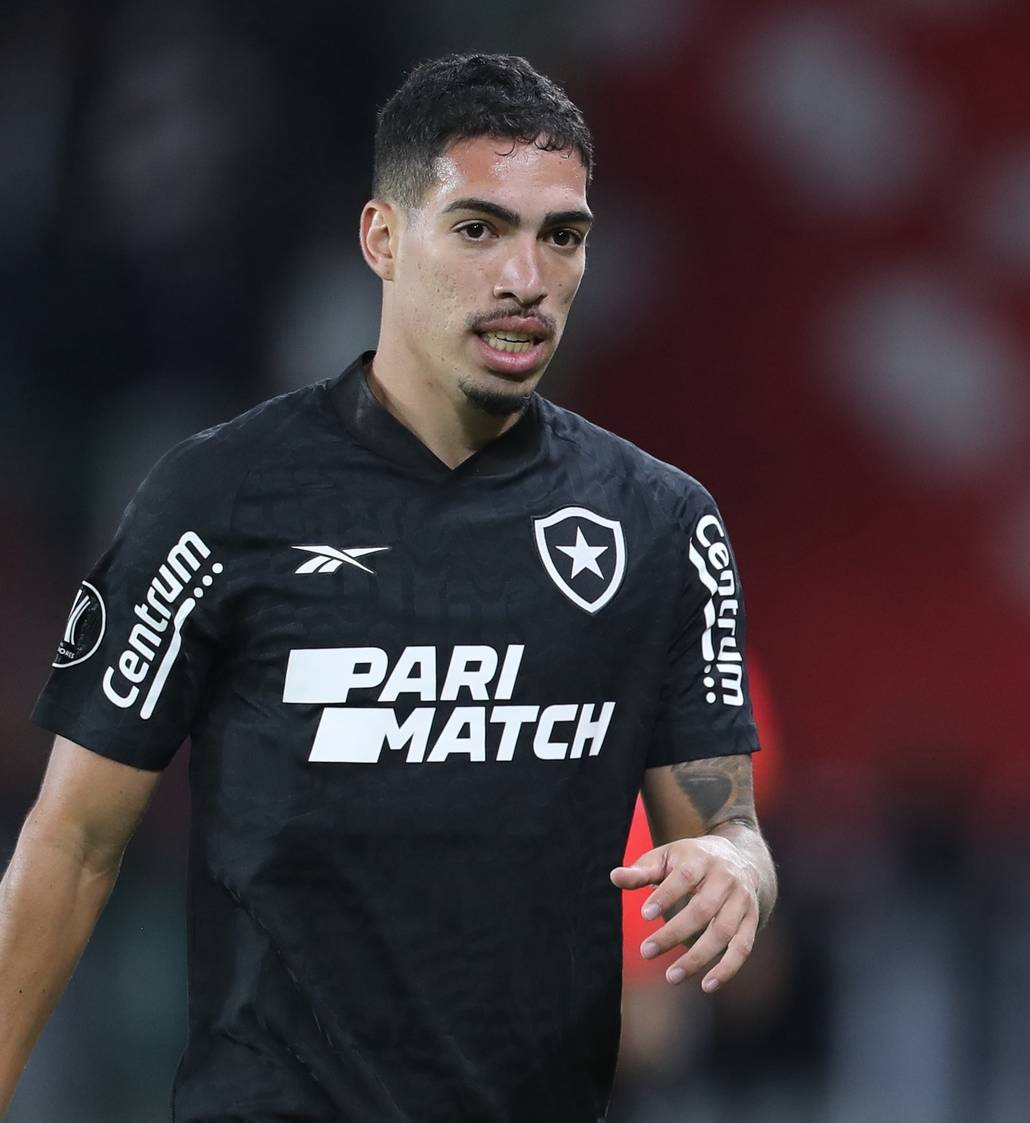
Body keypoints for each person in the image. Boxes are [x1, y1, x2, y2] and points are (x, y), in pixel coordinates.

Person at [0, 53, 776, 1122]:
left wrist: (737, 868)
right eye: (478, 228)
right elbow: (74, 839)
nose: (525, 276)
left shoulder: (661, 524)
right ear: (381, 239)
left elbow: (723, 821)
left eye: (562, 236)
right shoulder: (219, 499)